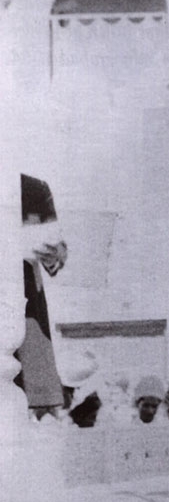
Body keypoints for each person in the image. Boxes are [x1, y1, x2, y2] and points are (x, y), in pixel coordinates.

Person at [15, 174, 68, 421]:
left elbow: (57, 252)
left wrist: (54, 253)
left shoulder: (34, 189)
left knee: (35, 416)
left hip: (26, 316)